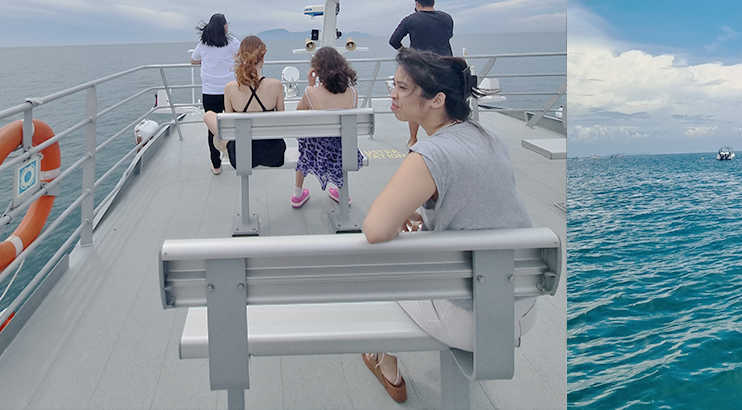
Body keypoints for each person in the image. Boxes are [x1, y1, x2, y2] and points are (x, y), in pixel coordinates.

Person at [359, 47, 535, 404]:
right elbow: (480, 203)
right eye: (394, 84)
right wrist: (426, 214)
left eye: (402, 88)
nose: (391, 94)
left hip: (474, 318)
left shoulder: (430, 154)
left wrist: (402, 222)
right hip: (521, 304)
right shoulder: (489, 137)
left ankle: (386, 362)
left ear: (436, 99)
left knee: (379, 264)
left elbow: (375, 229)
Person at [291, 47, 365, 207]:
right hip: (343, 148)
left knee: (304, 142)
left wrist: (310, 85)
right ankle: (341, 191)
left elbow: (300, 112)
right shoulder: (353, 92)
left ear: (318, 70)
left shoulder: (312, 92)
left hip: (315, 150)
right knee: (339, 140)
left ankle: (297, 192)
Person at [203, 36, 286, 170]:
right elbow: (281, 121)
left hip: (240, 154)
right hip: (273, 153)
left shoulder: (230, 88)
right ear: (263, 57)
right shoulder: (276, 85)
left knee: (208, 115)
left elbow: (230, 127)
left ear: (240, 57)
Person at [388, 0, 454, 148]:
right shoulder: (447, 18)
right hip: (445, 66)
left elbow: (394, 41)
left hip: (420, 67)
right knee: (444, 101)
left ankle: (413, 139)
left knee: (414, 101)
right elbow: (448, 36)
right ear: (433, 2)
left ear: (417, 3)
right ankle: (446, 135)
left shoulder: (411, 19)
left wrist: (406, 52)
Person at [190, 14, 239, 174]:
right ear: (223, 26)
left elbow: (193, 60)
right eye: (227, 23)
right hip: (230, 91)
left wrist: (206, 62)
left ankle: (216, 165)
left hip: (210, 92)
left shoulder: (203, 44)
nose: (228, 26)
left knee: (213, 128)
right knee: (236, 125)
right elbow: (242, 57)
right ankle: (239, 157)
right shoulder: (232, 43)